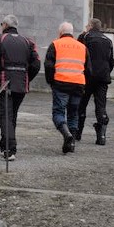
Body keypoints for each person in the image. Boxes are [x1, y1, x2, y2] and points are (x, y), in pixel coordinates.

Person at [0, 14, 41, 161]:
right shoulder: (28, 41)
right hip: (21, 83)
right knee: (11, 115)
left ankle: (10, 149)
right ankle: (5, 147)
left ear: (4, 25)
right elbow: (36, 64)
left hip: (4, 83)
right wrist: (27, 77)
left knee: (4, 115)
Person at [44, 22, 91, 154]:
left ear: (60, 33)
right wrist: (84, 83)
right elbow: (88, 69)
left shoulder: (55, 44)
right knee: (73, 113)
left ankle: (67, 135)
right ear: (72, 33)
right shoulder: (82, 47)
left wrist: (51, 82)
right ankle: (72, 144)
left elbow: (48, 66)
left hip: (61, 83)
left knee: (58, 112)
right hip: (78, 84)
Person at [76, 18, 114, 145]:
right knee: (101, 106)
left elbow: (78, 51)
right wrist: (106, 72)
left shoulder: (86, 37)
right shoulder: (108, 40)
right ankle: (101, 136)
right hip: (103, 78)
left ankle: (77, 133)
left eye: (87, 25)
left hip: (87, 76)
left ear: (91, 26)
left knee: (81, 104)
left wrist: (82, 34)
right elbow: (111, 62)